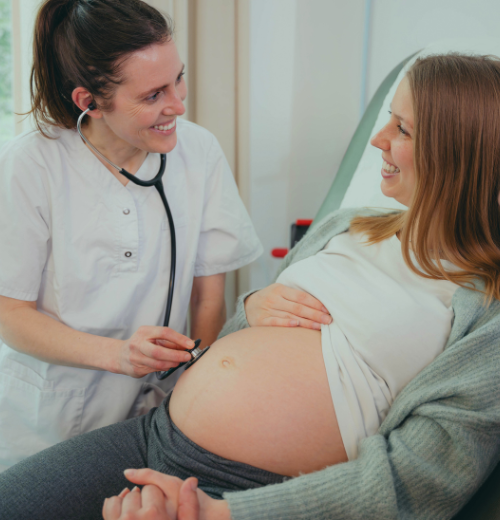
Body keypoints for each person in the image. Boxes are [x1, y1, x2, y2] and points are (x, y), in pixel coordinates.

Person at [2, 53, 500, 520]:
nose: (378, 139)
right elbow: (248, 340)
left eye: (403, 128)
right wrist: (253, 307)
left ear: (460, 155)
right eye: (388, 118)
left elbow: (420, 480)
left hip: (257, 491)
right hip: (153, 433)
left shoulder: (486, 310)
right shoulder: (346, 227)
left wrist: (219, 514)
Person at [0, 0, 281, 472]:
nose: (178, 105)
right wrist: (118, 356)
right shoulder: (29, 166)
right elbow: (10, 315)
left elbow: (208, 297)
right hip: (47, 422)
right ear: (89, 102)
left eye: (178, 79)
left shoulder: (198, 151)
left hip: (157, 415)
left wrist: (195, 393)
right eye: (152, 96)